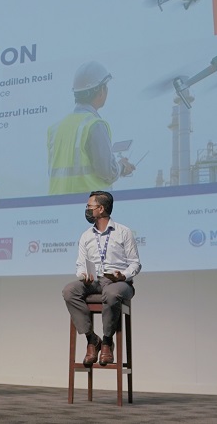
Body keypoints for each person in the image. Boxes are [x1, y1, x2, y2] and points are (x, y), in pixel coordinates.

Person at [62, 190, 141, 366]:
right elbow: (80, 264)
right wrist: (84, 276)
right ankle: (92, 339)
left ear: (101, 209)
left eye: (89, 207)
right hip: (95, 281)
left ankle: (106, 341)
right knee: (69, 291)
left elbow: (136, 264)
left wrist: (124, 275)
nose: (87, 210)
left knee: (112, 294)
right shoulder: (86, 236)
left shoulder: (123, 232)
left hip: (118, 283)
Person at [48, 61, 135, 195]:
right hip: (88, 206)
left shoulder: (55, 128)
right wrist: (122, 166)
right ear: (100, 91)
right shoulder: (94, 125)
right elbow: (106, 171)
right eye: (105, 87)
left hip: (57, 206)